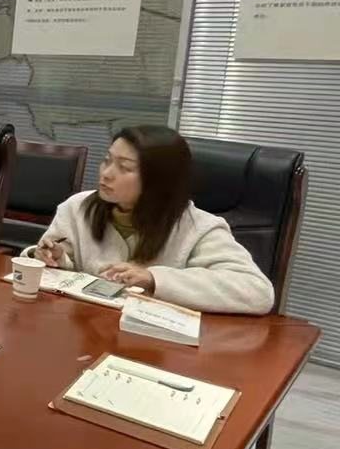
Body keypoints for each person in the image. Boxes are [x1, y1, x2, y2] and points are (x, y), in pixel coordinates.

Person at [32, 125, 273, 314]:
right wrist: (54, 258)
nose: (106, 173)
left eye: (124, 167)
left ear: (159, 180)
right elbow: (59, 265)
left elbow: (257, 292)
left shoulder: (199, 228)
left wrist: (154, 278)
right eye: (107, 160)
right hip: (88, 329)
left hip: (154, 345)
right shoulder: (78, 207)